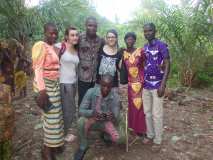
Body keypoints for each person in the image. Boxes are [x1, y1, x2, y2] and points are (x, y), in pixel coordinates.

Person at [32, 23, 64, 160]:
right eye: (51, 33)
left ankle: (51, 147)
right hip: (45, 87)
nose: (54, 35)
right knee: (51, 119)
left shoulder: (53, 47)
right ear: (44, 32)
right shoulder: (40, 45)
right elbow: (38, 69)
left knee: (55, 119)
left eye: (56, 33)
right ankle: (46, 151)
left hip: (54, 86)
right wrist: (42, 91)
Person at [74, 74, 122, 160]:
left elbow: (116, 116)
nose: (106, 89)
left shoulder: (115, 96)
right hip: (93, 120)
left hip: (106, 122)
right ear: (100, 83)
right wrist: (93, 112)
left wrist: (112, 116)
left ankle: (105, 135)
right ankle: (83, 145)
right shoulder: (91, 92)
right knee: (81, 121)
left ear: (112, 86)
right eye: (103, 86)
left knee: (120, 139)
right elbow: (81, 111)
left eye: (108, 87)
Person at [142, 23, 170, 151]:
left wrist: (163, 84)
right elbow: (143, 63)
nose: (147, 33)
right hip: (146, 84)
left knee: (156, 114)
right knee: (147, 112)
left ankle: (158, 140)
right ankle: (150, 134)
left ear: (155, 31)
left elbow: (167, 63)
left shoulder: (162, 45)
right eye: (145, 31)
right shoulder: (145, 47)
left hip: (158, 84)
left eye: (150, 30)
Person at [55, 26, 79, 142]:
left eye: (76, 35)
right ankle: (64, 134)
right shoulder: (60, 46)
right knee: (68, 109)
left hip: (73, 83)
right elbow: (50, 63)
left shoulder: (75, 50)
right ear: (66, 36)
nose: (75, 37)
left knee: (70, 108)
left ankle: (65, 131)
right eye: (72, 35)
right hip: (64, 83)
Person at [120, 32, 146, 136]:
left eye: (131, 39)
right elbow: (121, 68)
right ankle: (134, 128)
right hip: (131, 85)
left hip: (140, 84)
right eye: (127, 39)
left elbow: (146, 64)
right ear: (125, 40)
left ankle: (142, 129)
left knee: (140, 107)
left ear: (134, 40)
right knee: (132, 106)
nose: (129, 41)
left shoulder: (140, 51)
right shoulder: (124, 53)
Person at [78, 16, 104, 106]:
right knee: (82, 101)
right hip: (82, 77)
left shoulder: (100, 40)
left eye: (95, 26)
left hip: (95, 79)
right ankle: (81, 119)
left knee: (93, 101)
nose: (92, 28)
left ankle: (92, 119)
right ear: (85, 25)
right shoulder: (79, 38)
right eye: (90, 25)